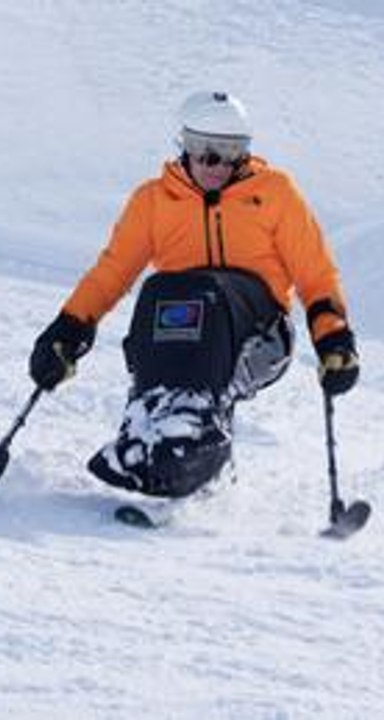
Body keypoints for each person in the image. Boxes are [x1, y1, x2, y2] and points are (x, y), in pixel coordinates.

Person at [28, 90, 359, 499]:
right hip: (183, 332)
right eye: (205, 151)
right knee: (159, 291)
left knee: (207, 292)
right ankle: (147, 428)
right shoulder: (153, 200)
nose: (216, 165)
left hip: (259, 337)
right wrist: (67, 331)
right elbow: (111, 273)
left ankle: (195, 438)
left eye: (230, 152)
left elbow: (316, 274)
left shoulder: (275, 193)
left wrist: (334, 340)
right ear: (183, 145)